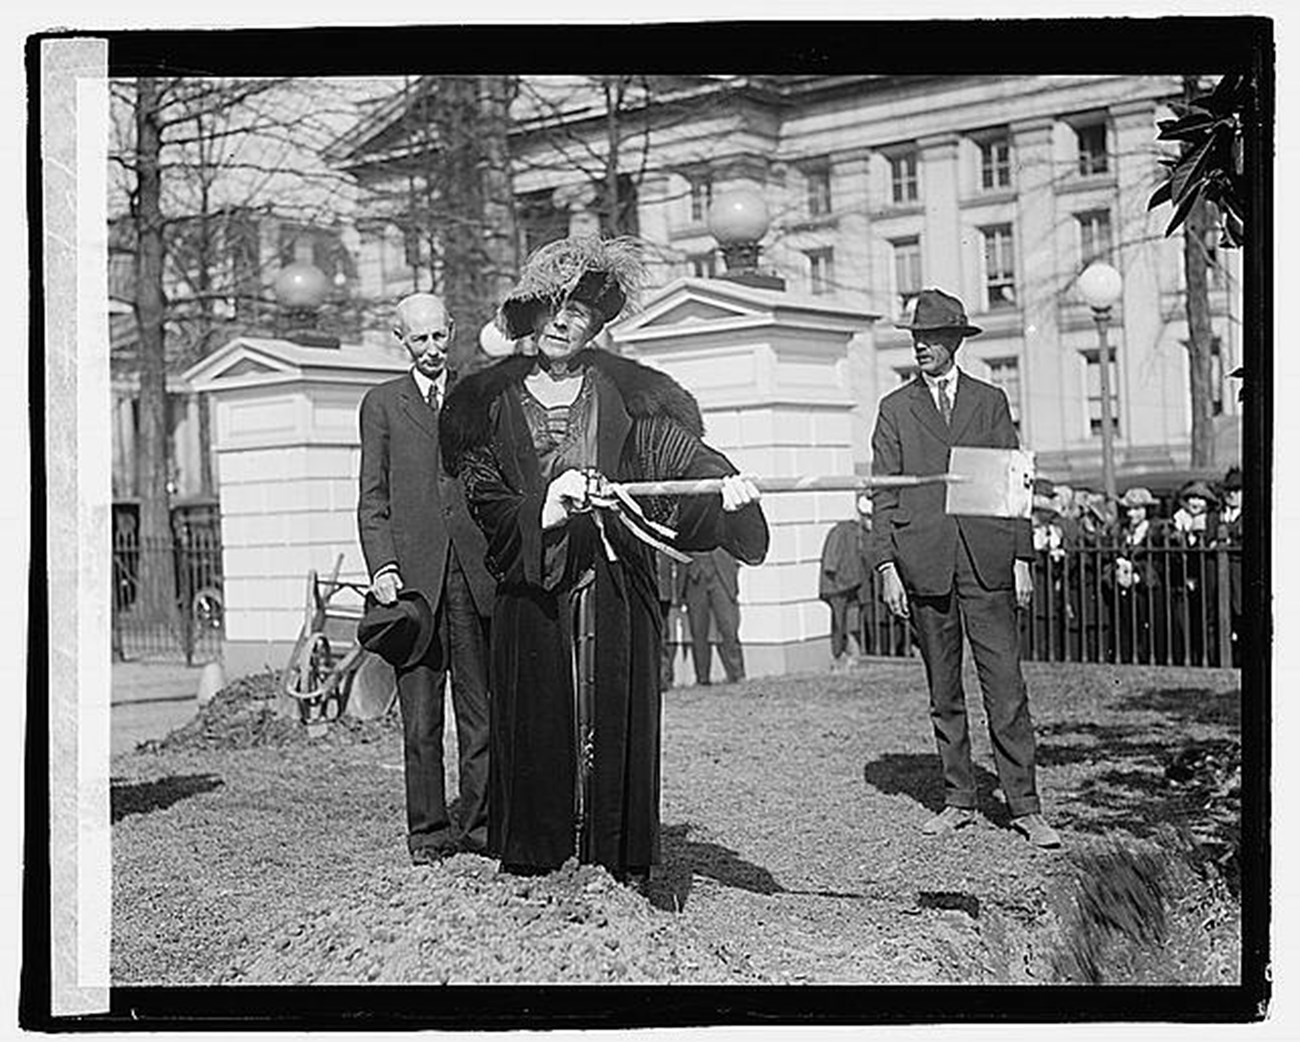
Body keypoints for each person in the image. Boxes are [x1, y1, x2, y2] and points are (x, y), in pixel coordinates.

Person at [440, 235, 768, 886]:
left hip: (615, 592)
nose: (564, 321)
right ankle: (538, 864)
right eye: (553, 307)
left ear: (597, 326)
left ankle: (615, 866)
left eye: (580, 312)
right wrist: (546, 504)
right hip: (529, 595)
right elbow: (484, 498)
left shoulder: (631, 398)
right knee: (534, 728)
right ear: (531, 316)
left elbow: (683, 465)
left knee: (614, 721)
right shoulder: (485, 404)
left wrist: (724, 492)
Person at [870, 287, 1060, 849]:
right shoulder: (895, 409)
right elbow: (883, 495)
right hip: (923, 565)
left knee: (1006, 689)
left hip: (988, 563)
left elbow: (1012, 484)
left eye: (931, 338)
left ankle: (1025, 806)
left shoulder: (990, 401)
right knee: (944, 690)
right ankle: (959, 799)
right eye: (917, 339)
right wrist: (885, 565)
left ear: (955, 341)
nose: (922, 348)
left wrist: (1022, 557)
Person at [357, 293, 497, 865]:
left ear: (453, 331)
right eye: (420, 339)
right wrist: (383, 567)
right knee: (420, 721)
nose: (433, 348)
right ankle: (429, 833)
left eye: (440, 336)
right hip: (412, 587)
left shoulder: (479, 397)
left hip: (471, 575)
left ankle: (483, 825)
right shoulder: (382, 404)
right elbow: (373, 498)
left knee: (479, 714)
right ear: (401, 339)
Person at [819, 495, 872, 669]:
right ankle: (838, 657)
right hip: (838, 586)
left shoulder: (858, 532)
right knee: (839, 624)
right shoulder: (843, 531)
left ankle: (853, 656)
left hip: (851, 585)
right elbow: (831, 562)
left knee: (851, 622)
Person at [681, 547, 747, 686]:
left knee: (728, 626)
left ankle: (737, 673)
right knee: (698, 630)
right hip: (695, 574)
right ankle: (702, 677)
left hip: (721, 573)